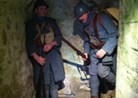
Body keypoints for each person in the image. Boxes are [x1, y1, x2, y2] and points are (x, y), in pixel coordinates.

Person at [74, 1, 118, 98]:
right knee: (93, 73)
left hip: (107, 51)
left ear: (88, 12)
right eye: (78, 16)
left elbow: (114, 34)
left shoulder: (102, 18)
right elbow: (87, 41)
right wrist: (86, 53)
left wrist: (105, 50)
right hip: (94, 52)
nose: (80, 18)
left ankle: (118, 85)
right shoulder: (85, 25)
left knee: (102, 72)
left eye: (81, 15)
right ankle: (94, 95)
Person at [25, 0, 65, 98]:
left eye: (45, 9)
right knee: (44, 84)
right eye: (41, 9)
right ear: (36, 10)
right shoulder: (31, 24)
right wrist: (36, 57)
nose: (44, 11)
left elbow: (59, 37)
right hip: (40, 55)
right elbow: (29, 43)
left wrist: (51, 44)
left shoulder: (51, 22)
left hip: (54, 55)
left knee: (54, 82)